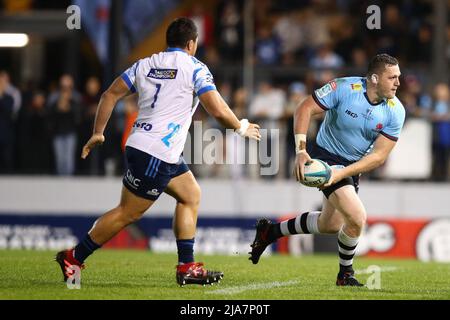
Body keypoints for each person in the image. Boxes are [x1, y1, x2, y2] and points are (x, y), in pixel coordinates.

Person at [55, 17, 261, 286]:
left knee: (190, 195)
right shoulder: (195, 68)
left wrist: (98, 132)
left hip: (146, 145)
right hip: (157, 153)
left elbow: (109, 94)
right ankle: (74, 256)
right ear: (191, 44)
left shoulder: (145, 64)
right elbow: (218, 109)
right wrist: (241, 127)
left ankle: (187, 267)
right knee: (128, 213)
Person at [249, 54, 405, 286]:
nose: (398, 82)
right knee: (357, 217)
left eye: (398, 77)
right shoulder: (344, 88)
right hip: (326, 156)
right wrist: (301, 151)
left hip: (351, 166)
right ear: (374, 78)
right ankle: (345, 274)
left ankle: (270, 232)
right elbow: (304, 108)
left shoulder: (396, 110)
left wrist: (343, 174)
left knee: (329, 225)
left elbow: (379, 156)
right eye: (392, 77)